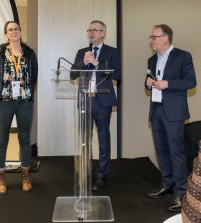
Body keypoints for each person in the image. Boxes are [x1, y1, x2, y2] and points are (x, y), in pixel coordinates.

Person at [145, 24, 196, 212]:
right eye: (151, 37)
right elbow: (150, 81)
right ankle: (168, 185)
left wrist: (167, 83)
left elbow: (191, 82)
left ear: (166, 37)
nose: (151, 40)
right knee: (162, 149)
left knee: (176, 152)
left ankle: (181, 193)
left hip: (174, 112)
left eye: (154, 37)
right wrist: (149, 83)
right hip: (156, 109)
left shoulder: (183, 56)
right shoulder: (151, 60)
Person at [71, 20, 121, 191]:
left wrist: (97, 64)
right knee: (85, 139)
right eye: (89, 30)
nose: (91, 33)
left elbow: (118, 74)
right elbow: (72, 74)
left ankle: (102, 175)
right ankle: (85, 173)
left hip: (103, 101)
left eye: (95, 30)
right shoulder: (81, 52)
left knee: (103, 138)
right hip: (85, 99)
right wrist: (84, 63)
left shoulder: (112, 52)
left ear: (103, 33)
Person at [0, 21, 38, 195]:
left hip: (24, 101)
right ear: (6, 34)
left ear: (20, 32)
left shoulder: (29, 53)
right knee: (2, 138)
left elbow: (33, 76)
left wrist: (23, 89)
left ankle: (25, 175)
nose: (14, 31)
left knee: (24, 138)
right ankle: (1, 176)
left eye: (17, 29)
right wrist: (7, 90)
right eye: (10, 29)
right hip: (5, 102)